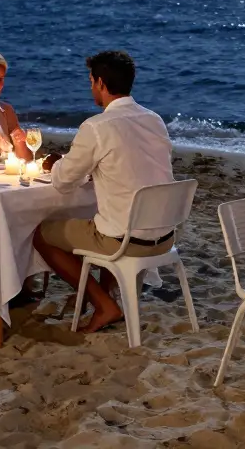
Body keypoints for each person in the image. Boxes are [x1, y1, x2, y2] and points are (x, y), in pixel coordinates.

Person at [32, 51, 175, 334]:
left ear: (100, 82)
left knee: (41, 234)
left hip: (126, 240)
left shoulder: (97, 127)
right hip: (164, 237)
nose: (91, 88)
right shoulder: (154, 120)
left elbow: (62, 183)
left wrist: (56, 163)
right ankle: (103, 294)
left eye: (90, 81)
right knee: (108, 218)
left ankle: (102, 303)